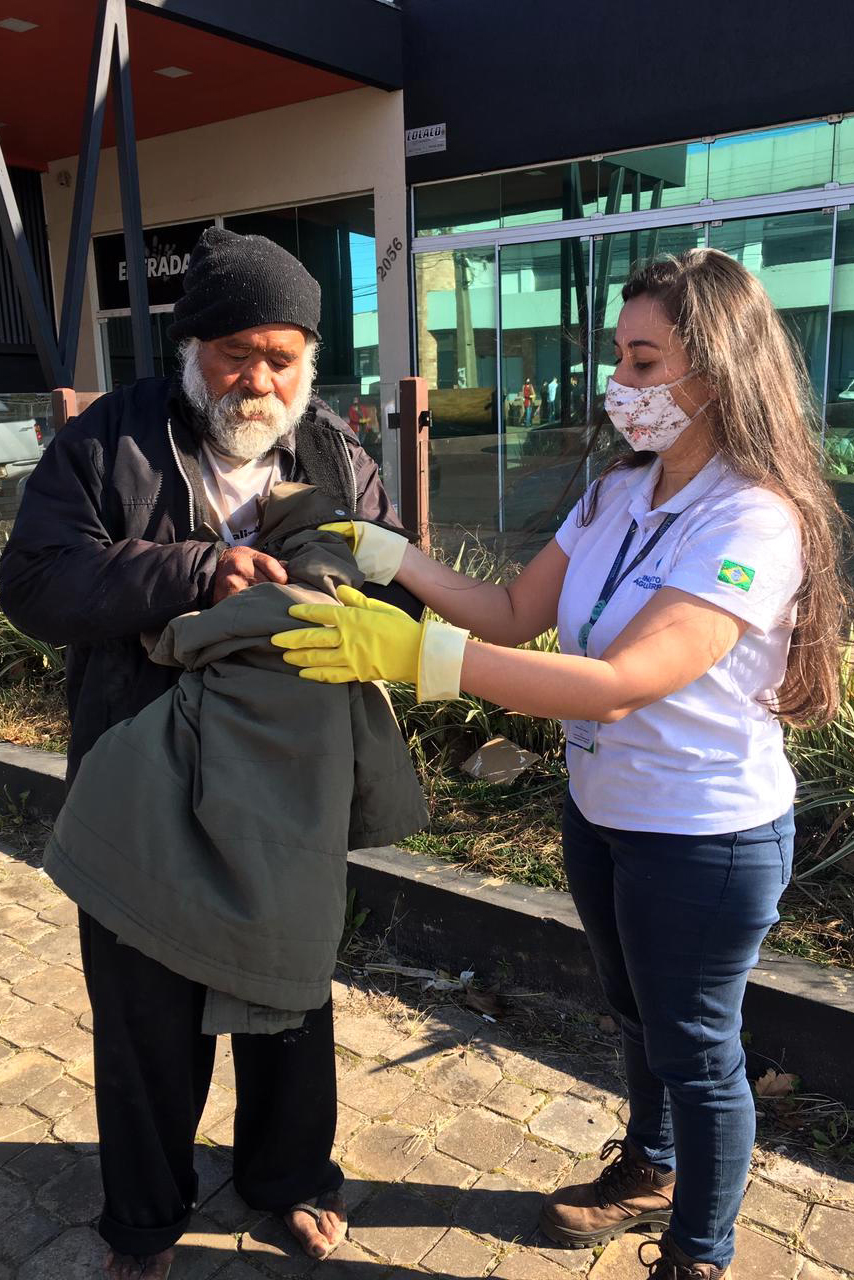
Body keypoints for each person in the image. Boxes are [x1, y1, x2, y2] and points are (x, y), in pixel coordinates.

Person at [273, 248, 849, 1280]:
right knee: (636, 1013)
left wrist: (417, 659)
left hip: (704, 837)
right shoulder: (615, 493)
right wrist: (387, 556)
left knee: (697, 1049)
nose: (618, 385)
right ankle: (649, 1163)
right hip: (603, 810)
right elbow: (511, 610)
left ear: (714, 371)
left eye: (642, 361)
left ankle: (697, 1249)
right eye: (617, 358)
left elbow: (622, 679)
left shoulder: (752, 518)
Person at [0, 227, 407, 1279]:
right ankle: (142, 1217)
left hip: (285, 785)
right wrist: (194, 571)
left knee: (287, 994)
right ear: (190, 349)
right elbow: (36, 581)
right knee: (143, 1014)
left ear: (308, 358)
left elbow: (390, 575)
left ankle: (287, 1178)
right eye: (236, 352)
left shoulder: (332, 450)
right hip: (142, 776)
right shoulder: (108, 442)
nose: (257, 378)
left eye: (280, 356)